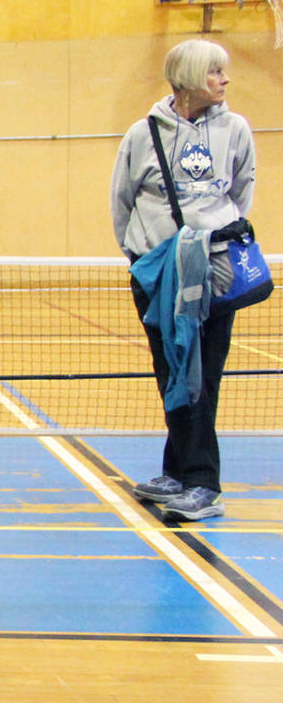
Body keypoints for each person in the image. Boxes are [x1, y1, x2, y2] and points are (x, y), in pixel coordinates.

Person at [111, 38, 257, 522]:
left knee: (203, 376)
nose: (225, 80)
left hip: (212, 271)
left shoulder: (235, 129)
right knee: (171, 371)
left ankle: (203, 483)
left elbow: (240, 191)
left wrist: (205, 242)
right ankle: (176, 472)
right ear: (192, 77)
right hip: (156, 272)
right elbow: (123, 198)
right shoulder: (142, 133)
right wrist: (141, 257)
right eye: (216, 72)